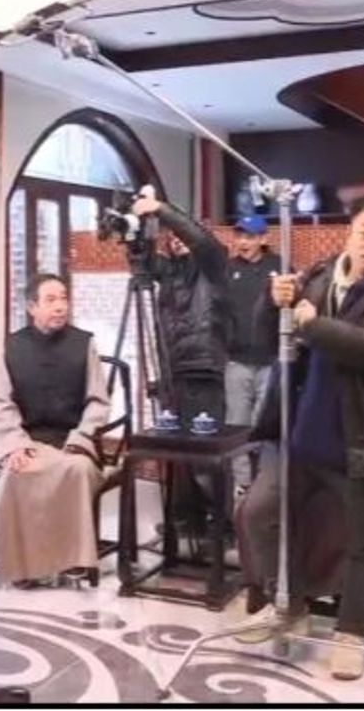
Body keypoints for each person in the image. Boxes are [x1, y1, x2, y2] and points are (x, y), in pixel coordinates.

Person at [239, 194, 364, 681]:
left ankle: (351, 633)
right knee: (260, 512)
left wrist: (312, 323)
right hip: (304, 435)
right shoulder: (320, 276)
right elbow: (267, 337)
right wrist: (273, 302)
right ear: (350, 231)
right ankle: (291, 603)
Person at [0, 273, 110, 588]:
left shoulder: (84, 344)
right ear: (32, 307)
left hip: (73, 442)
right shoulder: (12, 347)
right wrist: (14, 446)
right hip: (28, 441)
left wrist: (81, 438)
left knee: (77, 470)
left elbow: (98, 402)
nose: (60, 306)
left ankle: (73, 561)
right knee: (18, 472)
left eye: (64, 298)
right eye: (51, 300)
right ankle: (25, 567)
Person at [130, 194, 230, 538]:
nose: (176, 240)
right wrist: (138, 228)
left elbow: (202, 241)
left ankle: (221, 524)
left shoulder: (213, 266)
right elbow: (142, 261)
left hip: (203, 370)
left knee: (205, 457)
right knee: (176, 454)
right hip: (172, 372)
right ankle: (186, 519)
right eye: (171, 236)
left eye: (180, 234)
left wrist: (161, 210)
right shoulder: (170, 271)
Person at [225, 214, 281, 488]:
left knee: (265, 427)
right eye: (239, 236)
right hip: (236, 362)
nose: (243, 242)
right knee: (236, 426)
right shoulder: (228, 269)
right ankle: (242, 486)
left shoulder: (278, 267)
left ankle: (264, 486)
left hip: (271, 362)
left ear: (263, 239)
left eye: (249, 237)